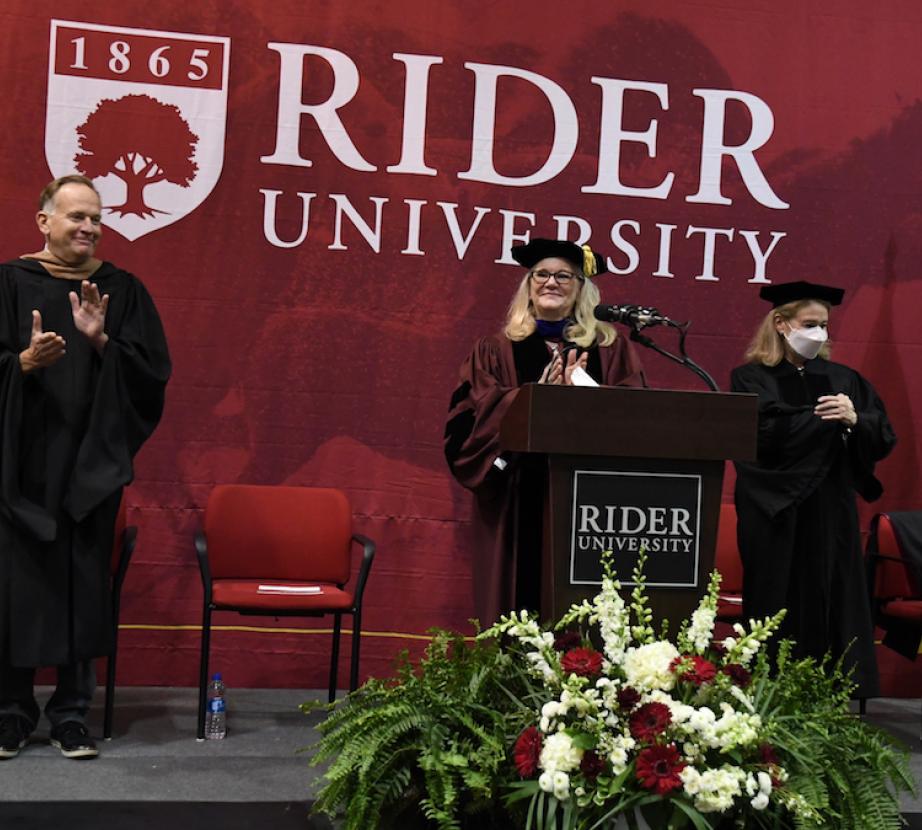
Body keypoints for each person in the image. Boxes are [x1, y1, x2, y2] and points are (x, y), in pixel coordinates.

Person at [0, 175, 171, 760]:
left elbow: (151, 378)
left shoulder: (121, 290)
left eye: (95, 218)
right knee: (17, 592)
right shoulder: (7, 283)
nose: (88, 227)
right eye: (75, 216)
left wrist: (102, 344)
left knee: (82, 591)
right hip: (19, 469)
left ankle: (72, 714)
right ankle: (12, 712)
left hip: (87, 470)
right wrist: (20, 364)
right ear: (43, 221)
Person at [444, 238, 644, 625]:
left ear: (582, 288)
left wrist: (588, 395)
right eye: (542, 275)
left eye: (564, 276)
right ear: (529, 285)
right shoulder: (495, 349)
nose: (551, 283)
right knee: (524, 602)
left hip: (593, 499)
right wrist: (534, 396)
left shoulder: (610, 348)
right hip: (520, 495)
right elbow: (469, 420)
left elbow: (636, 415)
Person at [731, 280, 895, 697]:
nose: (819, 333)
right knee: (776, 596)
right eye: (810, 324)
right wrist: (822, 420)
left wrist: (855, 418)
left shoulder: (844, 378)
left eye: (824, 325)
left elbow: (882, 433)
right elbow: (762, 432)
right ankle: (768, 691)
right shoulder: (751, 377)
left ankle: (836, 690)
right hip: (775, 509)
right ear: (782, 324)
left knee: (832, 591)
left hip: (830, 505)